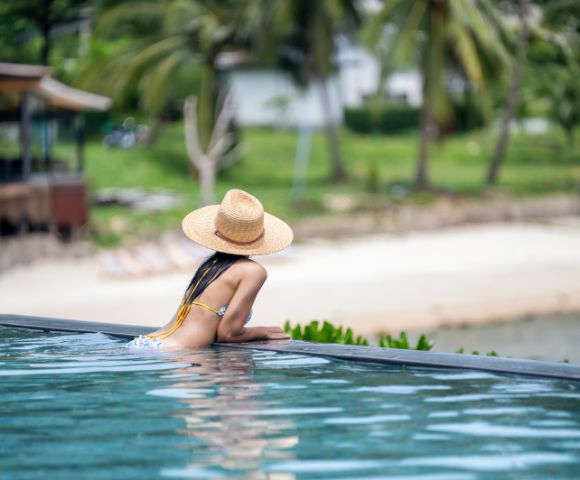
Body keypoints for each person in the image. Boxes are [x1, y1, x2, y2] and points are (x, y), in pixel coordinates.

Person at [126, 189, 293, 351]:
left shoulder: (209, 264)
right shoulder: (253, 271)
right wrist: (265, 331)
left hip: (146, 343)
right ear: (259, 235)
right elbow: (228, 333)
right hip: (178, 353)